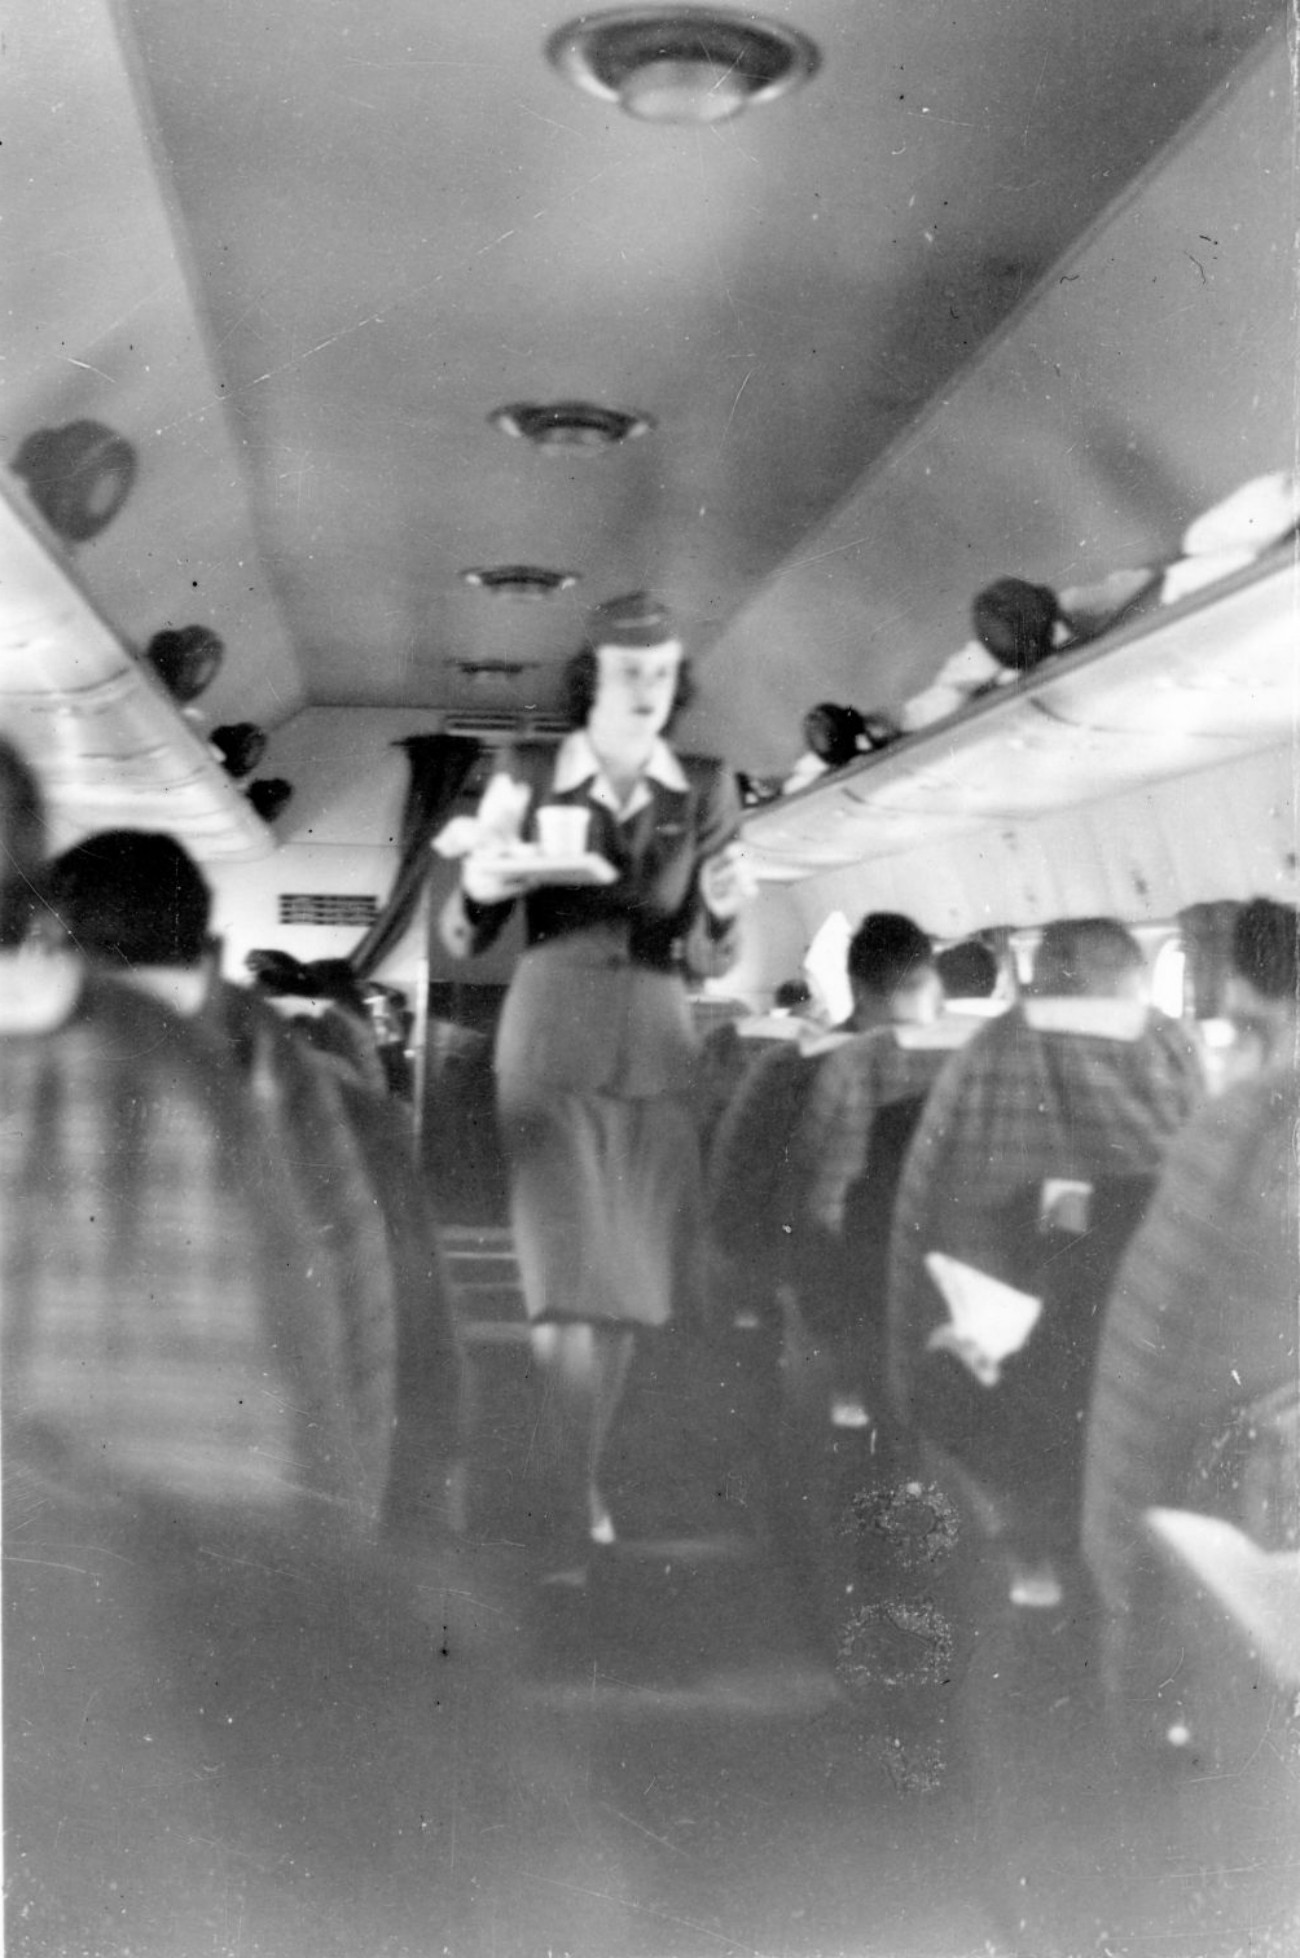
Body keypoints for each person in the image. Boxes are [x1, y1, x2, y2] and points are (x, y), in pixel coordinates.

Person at [440, 592, 745, 1567]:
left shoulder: (704, 785)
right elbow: (459, 929)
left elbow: (708, 957)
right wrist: (485, 883)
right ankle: (572, 1490)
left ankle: (583, 1468)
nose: (649, 689)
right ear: (593, 680)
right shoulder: (528, 770)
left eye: (663, 673)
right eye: (630, 673)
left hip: (657, 1043)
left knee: (624, 1291)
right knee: (563, 1284)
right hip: (550, 1041)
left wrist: (729, 913)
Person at [885, 916, 1202, 1604]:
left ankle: (1018, 1578)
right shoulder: (1176, 1052)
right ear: (1136, 980)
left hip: (997, 1330)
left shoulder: (986, 1054)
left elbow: (918, 1211)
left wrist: (905, 1358)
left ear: (1039, 974)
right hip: (1133, 1344)